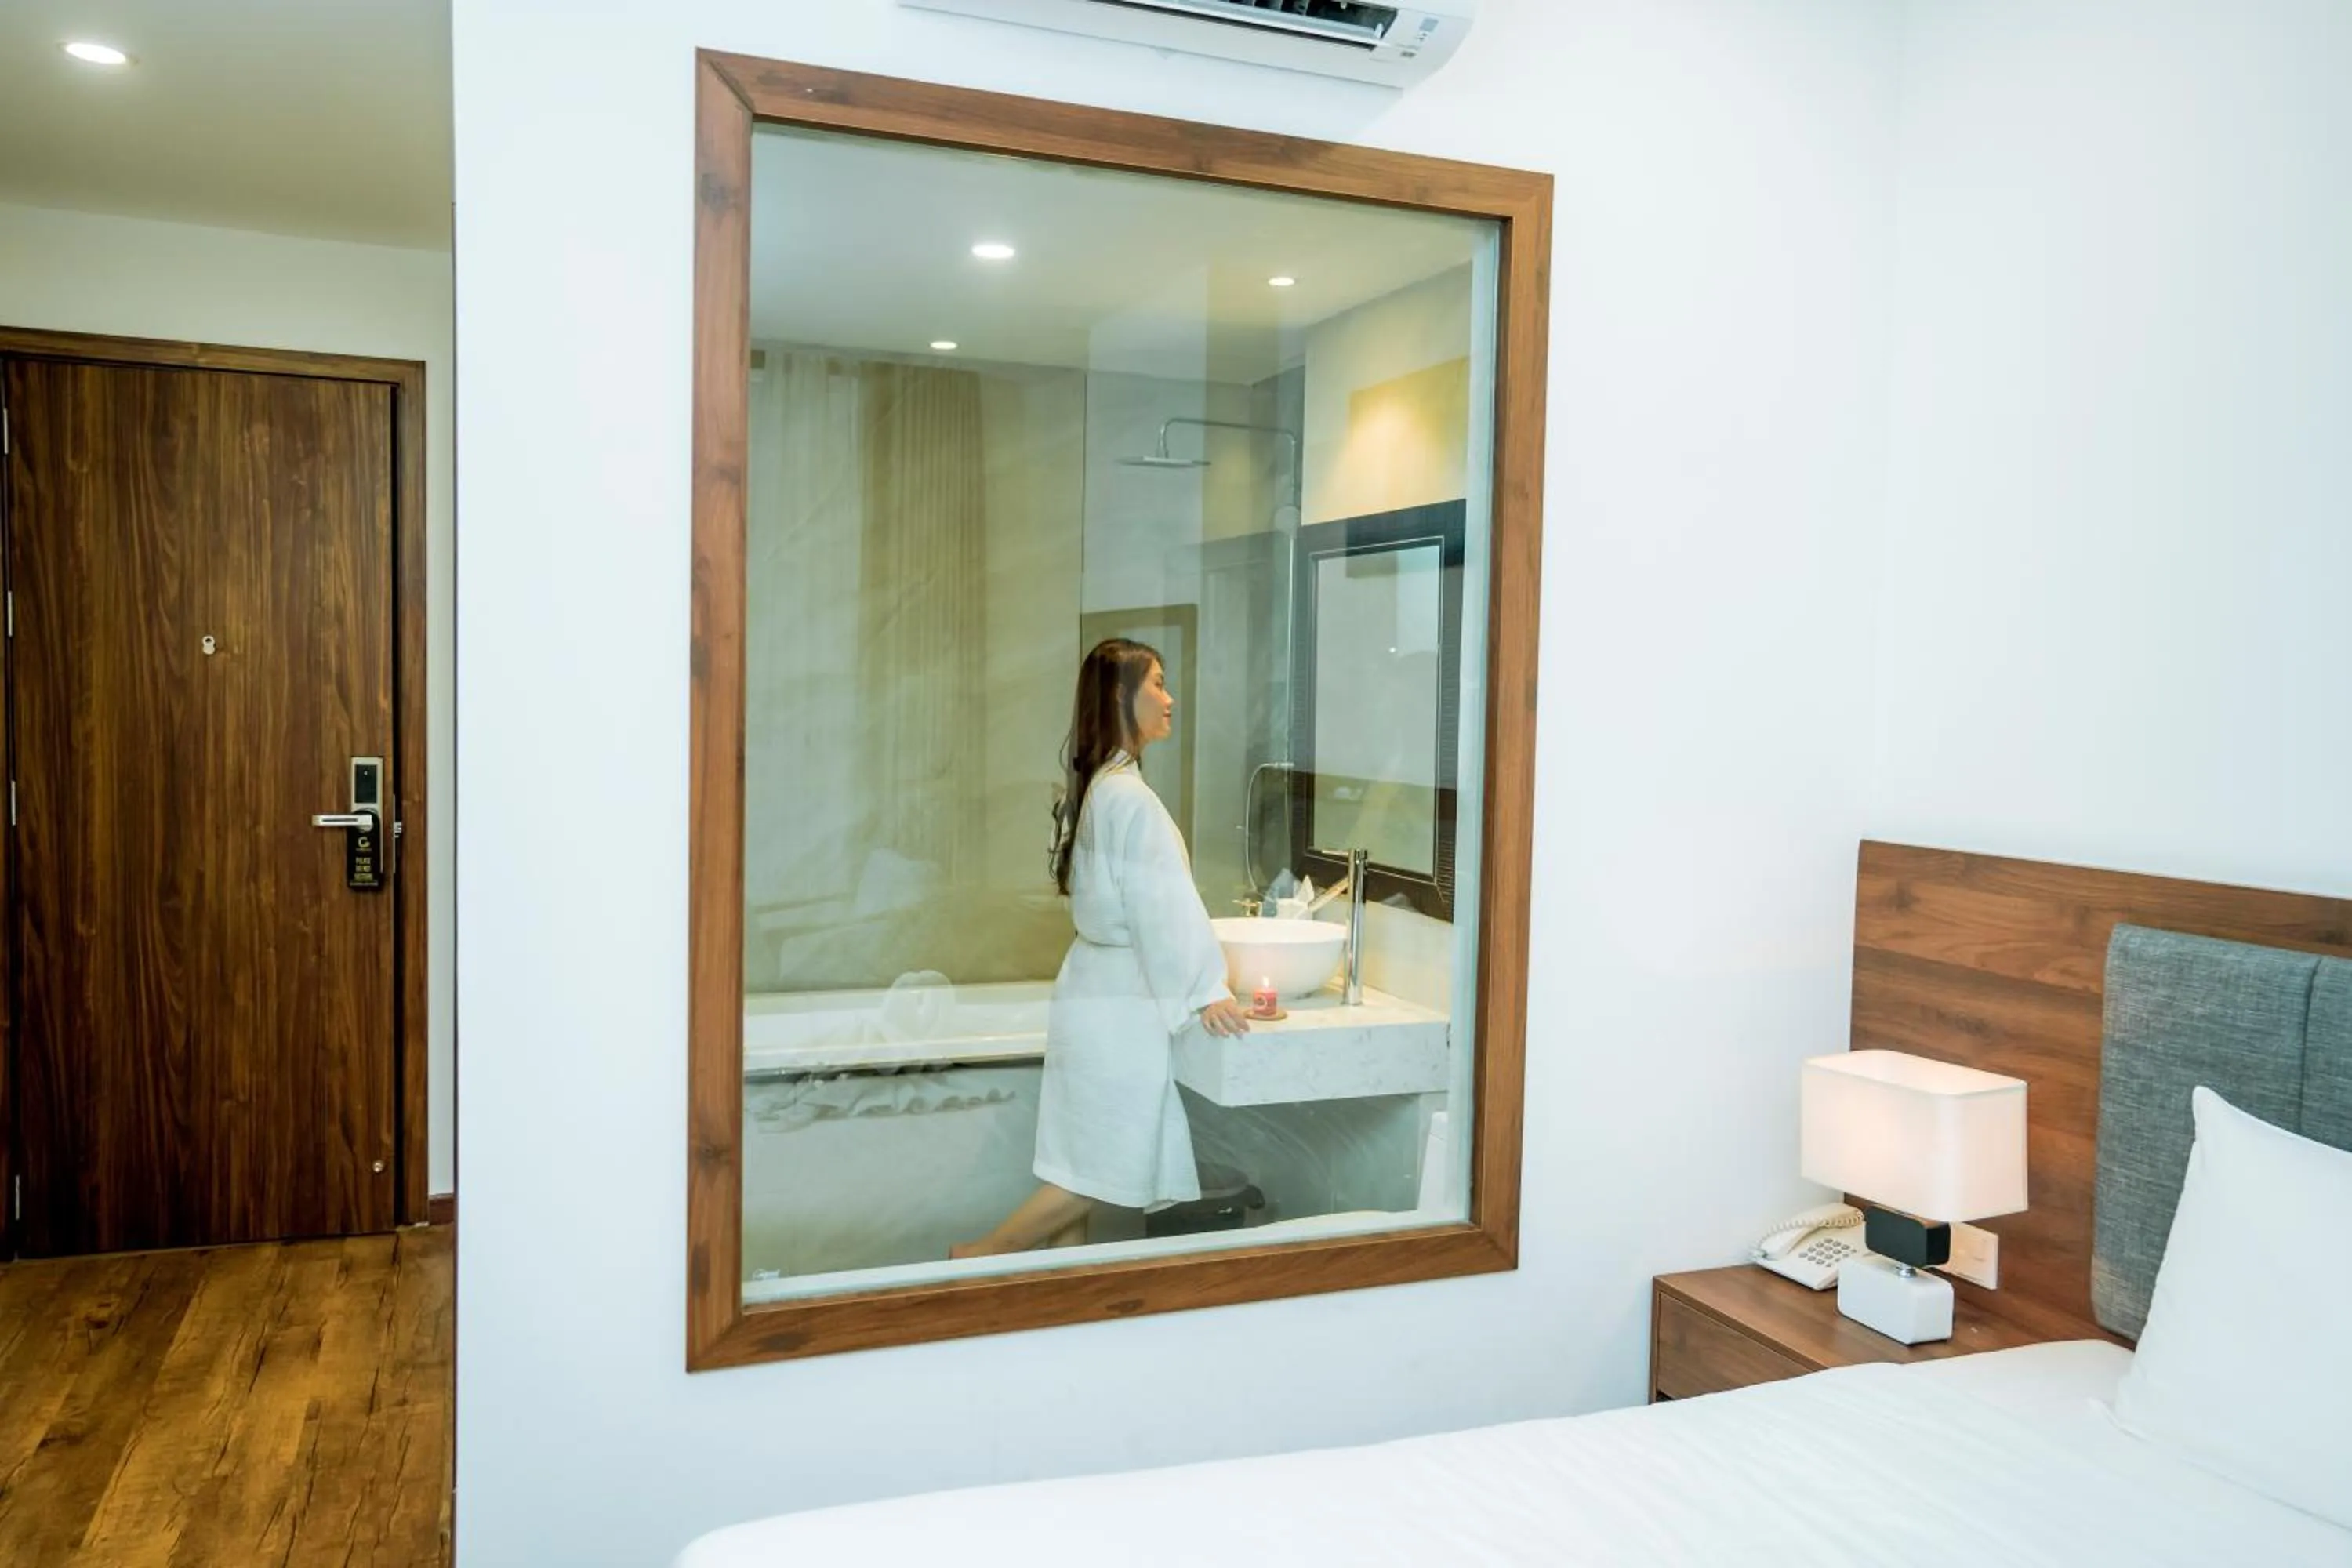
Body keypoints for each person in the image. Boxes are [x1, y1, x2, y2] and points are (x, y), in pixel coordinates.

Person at [952, 639, 1249, 1257]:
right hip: (1117, 1008)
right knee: (1101, 1166)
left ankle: (1066, 1298)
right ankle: (977, 1259)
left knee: (1074, 1162)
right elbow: (1161, 907)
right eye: (1159, 684)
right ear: (1122, 696)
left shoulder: (1101, 788)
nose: (1171, 699)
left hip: (1089, 991)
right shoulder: (1130, 799)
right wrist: (1206, 989)